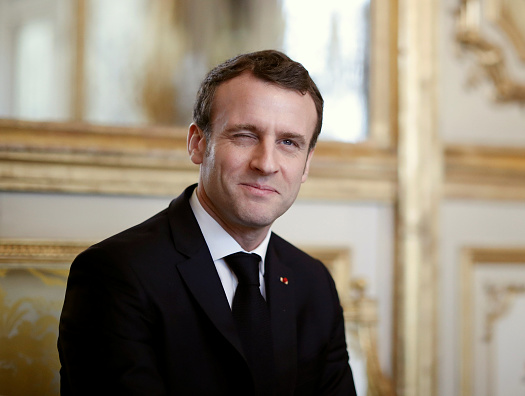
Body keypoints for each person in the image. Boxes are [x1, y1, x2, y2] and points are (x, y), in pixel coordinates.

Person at [58, 49, 356, 396]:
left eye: (289, 143)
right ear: (198, 143)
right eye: (245, 135)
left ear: (305, 165)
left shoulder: (314, 283)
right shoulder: (115, 275)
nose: (266, 163)